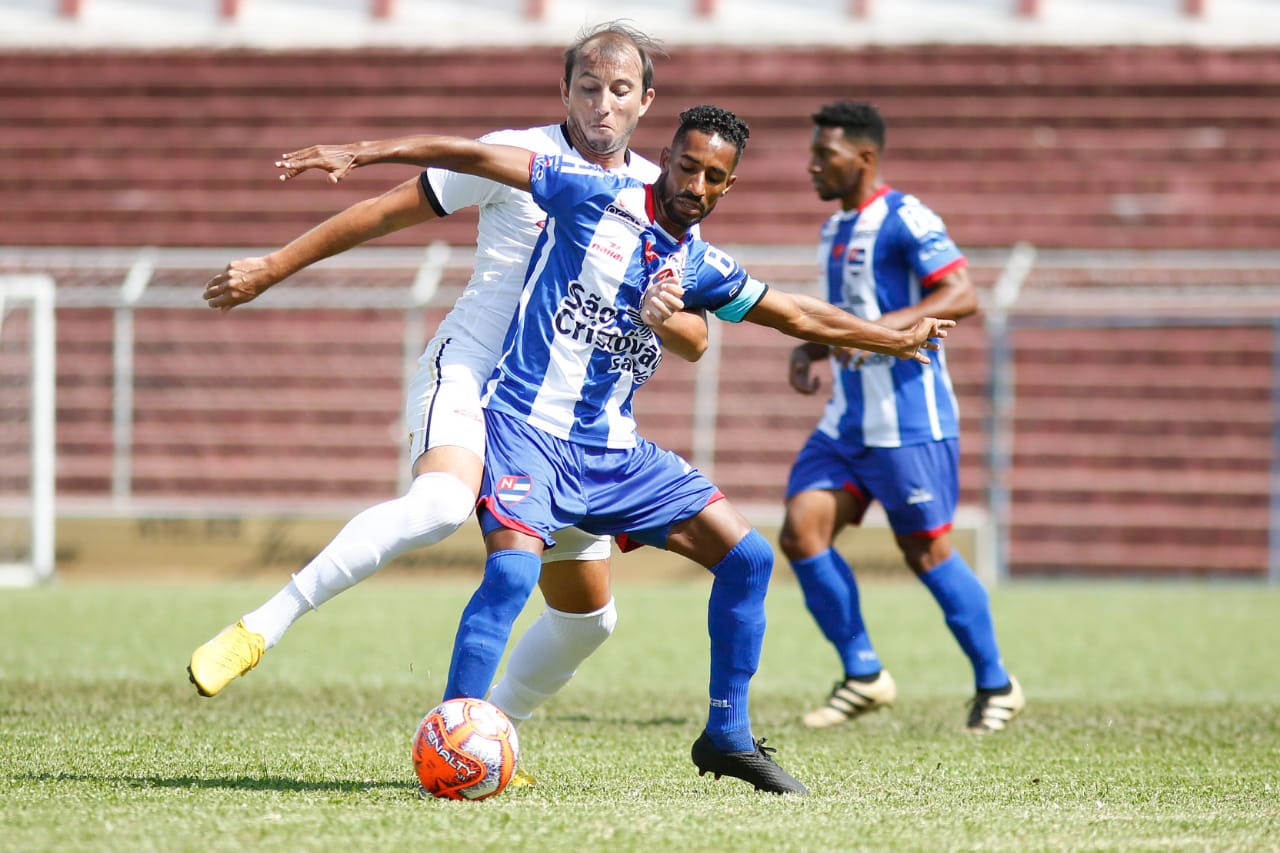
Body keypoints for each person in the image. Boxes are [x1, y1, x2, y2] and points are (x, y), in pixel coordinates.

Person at [274, 104, 955, 793]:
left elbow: (799, 313)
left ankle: (727, 735)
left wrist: (892, 338)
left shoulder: (699, 265)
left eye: (713, 176)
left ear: (727, 188)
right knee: (512, 575)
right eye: (687, 165)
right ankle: (450, 745)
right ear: (669, 157)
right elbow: (475, 156)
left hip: (614, 454)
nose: (695, 182)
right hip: (526, 427)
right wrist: (364, 150)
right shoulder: (593, 192)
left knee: (748, 559)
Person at [187, 24, 710, 747]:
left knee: (589, 621)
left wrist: (666, 316)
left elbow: (696, 335)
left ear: (646, 100)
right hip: (471, 368)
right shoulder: (515, 156)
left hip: (556, 415)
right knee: (439, 504)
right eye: (587, 87)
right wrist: (273, 266)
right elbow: (385, 210)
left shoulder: (657, 194)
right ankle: (258, 628)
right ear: (564, 89)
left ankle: (479, 734)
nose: (602, 105)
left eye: (619, 91)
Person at [779, 101, 1023, 734]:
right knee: (802, 530)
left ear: (863, 158)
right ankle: (863, 674)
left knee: (925, 551)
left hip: (910, 420)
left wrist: (881, 331)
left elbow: (962, 292)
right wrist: (812, 348)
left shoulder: (904, 217)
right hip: (848, 420)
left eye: (823, 155)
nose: (810, 166)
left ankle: (997, 684)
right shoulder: (835, 229)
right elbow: (849, 313)